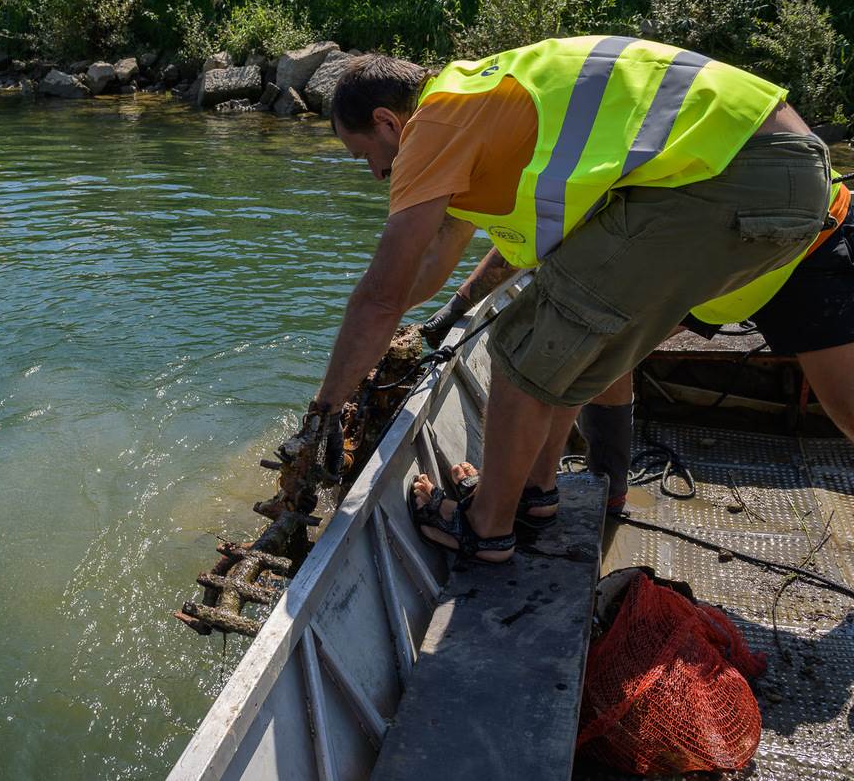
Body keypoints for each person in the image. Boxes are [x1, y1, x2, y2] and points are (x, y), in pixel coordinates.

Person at [304, 36, 836, 563]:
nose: (376, 174)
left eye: (366, 157)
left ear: (387, 122)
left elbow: (380, 296)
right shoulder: (478, 107)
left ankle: (486, 526)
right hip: (773, 169)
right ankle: (533, 493)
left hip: (738, 174)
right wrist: (443, 316)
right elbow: (429, 262)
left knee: (520, 346)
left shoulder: (436, 122)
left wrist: (325, 410)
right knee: (566, 350)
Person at [418, 176, 853, 518]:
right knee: (605, 350)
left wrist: (456, 306)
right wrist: (454, 308)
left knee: (846, 409)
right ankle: (604, 487)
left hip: (802, 238)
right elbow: (519, 244)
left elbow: (526, 242)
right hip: (714, 245)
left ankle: (524, 495)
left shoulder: (574, 170)